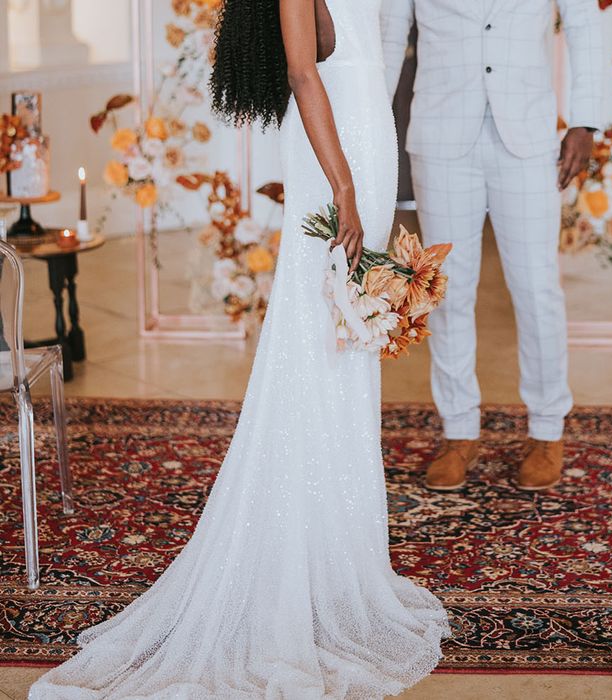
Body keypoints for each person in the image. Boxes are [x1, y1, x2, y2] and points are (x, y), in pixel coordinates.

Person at [30, 0, 448, 697]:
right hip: (335, 154)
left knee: (347, 339)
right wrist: (345, 189)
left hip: (368, 140)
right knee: (321, 338)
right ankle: (306, 552)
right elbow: (303, 73)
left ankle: (340, 550)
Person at [381, 0, 603, 492]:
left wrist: (585, 122)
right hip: (440, 137)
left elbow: (585, 23)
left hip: (528, 137)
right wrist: (374, 127)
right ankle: (458, 431)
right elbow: (390, 34)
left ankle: (547, 431)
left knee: (536, 289)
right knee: (446, 291)